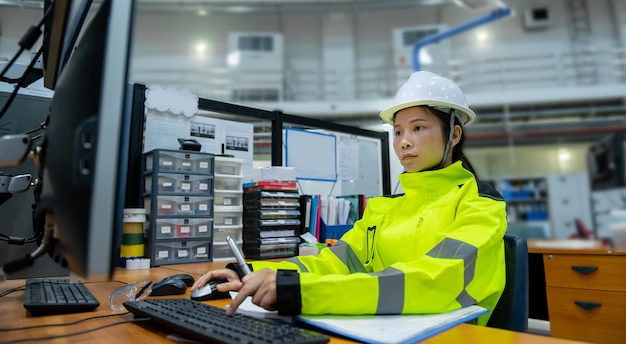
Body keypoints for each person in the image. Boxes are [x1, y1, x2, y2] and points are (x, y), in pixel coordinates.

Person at [191, 71, 507, 326]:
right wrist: (252, 271)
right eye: (397, 132)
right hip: (383, 329)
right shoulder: (386, 207)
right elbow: (335, 262)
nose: (404, 143)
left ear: (453, 134)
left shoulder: (481, 204)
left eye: (419, 128)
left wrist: (300, 292)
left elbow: (436, 280)